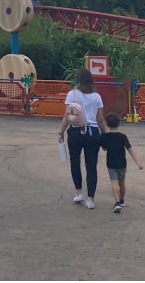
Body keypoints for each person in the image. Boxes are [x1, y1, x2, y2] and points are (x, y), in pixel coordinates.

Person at [57, 69, 108, 209]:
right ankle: (90, 199)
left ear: (78, 80)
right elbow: (100, 119)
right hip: (92, 133)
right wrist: (105, 136)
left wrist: (61, 132)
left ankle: (78, 191)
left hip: (75, 131)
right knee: (91, 166)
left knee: (75, 162)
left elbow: (67, 116)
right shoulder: (97, 96)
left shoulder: (71, 94)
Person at [99, 113, 142, 213]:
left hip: (111, 163)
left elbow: (104, 148)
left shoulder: (105, 137)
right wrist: (137, 162)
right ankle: (122, 200)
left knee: (114, 183)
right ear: (119, 124)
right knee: (121, 182)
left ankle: (117, 202)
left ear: (107, 124)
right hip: (122, 163)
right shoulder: (123, 137)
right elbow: (130, 149)